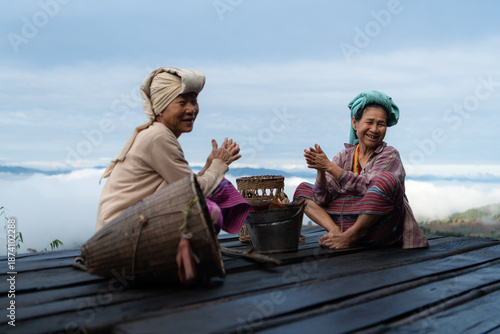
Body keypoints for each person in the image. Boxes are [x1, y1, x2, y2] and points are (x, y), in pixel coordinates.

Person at [96, 67, 250, 235]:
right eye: (182, 103)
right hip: (121, 232)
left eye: (194, 101)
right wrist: (219, 166)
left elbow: (182, 186)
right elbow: (192, 193)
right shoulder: (158, 137)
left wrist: (209, 166)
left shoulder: (158, 134)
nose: (191, 109)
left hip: (122, 227)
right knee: (207, 210)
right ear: (161, 107)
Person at [294, 90, 428, 250]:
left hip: (380, 231)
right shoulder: (344, 156)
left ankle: (351, 236)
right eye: (369, 122)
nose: (375, 129)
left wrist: (330, 166)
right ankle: (336, 233)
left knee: (387, 180)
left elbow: (367, 186)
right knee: (302, 190)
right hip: (343, 225)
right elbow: (322, 198)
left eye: (381, 124)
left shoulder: (389, 155)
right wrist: (321, 171)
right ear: (355, 123)